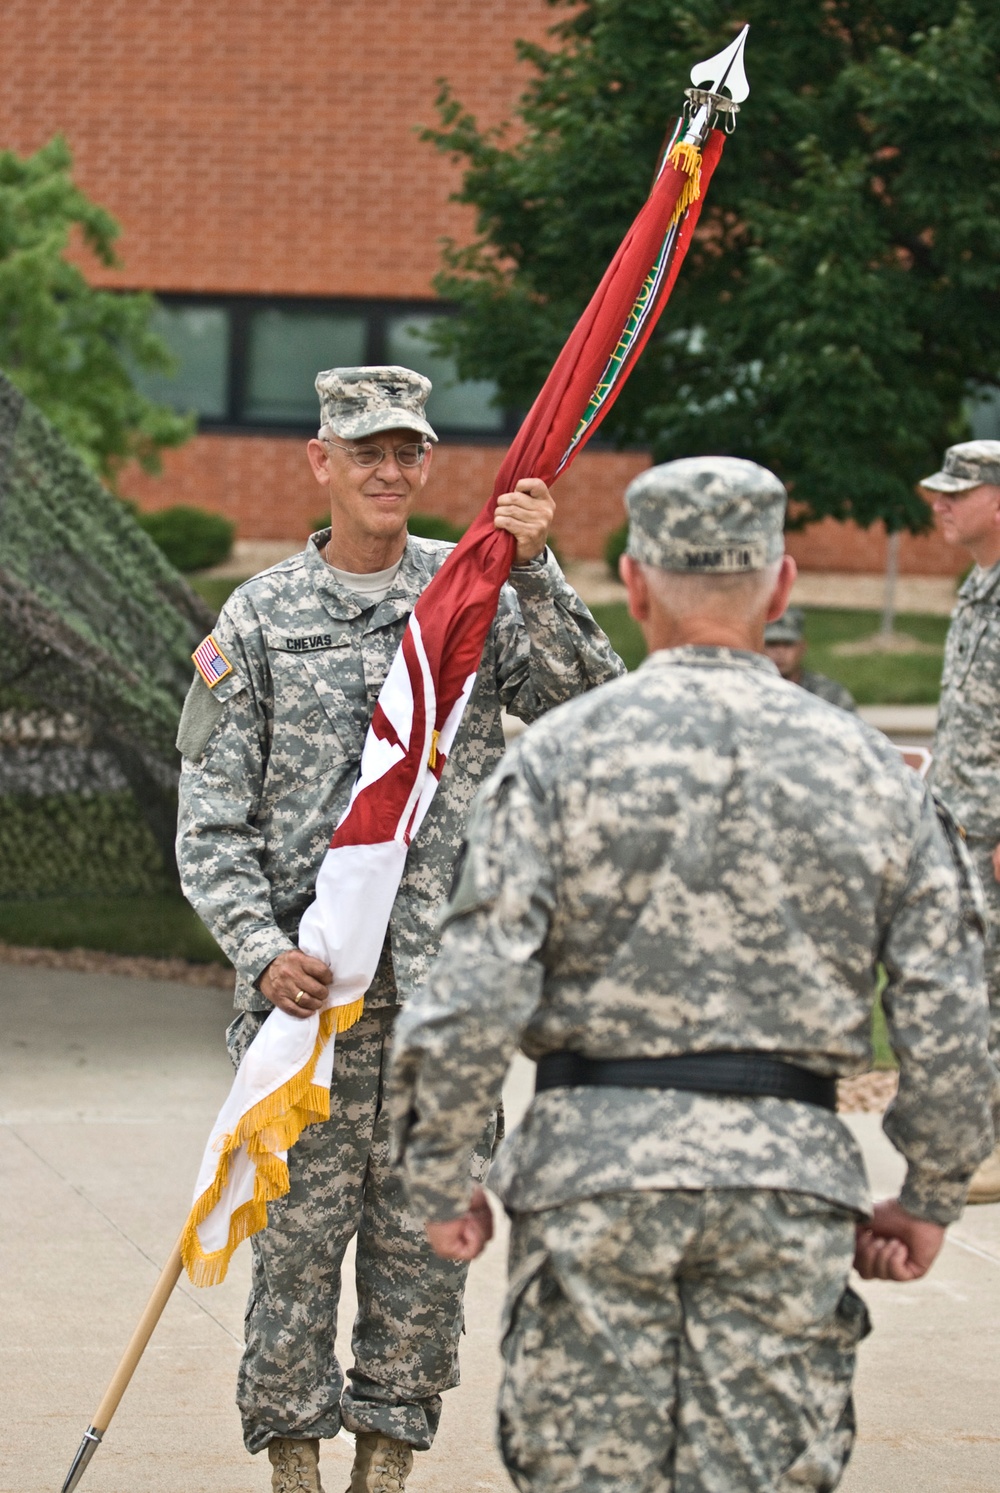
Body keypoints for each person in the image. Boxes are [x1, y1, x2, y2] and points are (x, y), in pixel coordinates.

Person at [389, 455, 999, 1493]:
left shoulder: (556, 759)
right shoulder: (866, 769)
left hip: (593, 1180)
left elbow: (470, 987)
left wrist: (442, 1171)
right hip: (786, 1180)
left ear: (632, 582)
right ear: (782, 584)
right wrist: (930, 1188)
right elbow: (950, 1002)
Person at [175, 364, 624, 1493]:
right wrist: (259, 946)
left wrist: (537, 572)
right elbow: (210, 822)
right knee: (294, 1255)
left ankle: (386, 1460)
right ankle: (292, 1463)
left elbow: (591, 708)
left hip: (442, 1001)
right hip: (309, 1005)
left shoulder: (468, 592)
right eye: (366, 450)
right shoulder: (263, 617)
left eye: (408, 451)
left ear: (428, 464)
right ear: (320, 461)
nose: (389, 470)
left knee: (424, 1253)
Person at [921, 438, 1000, 1204]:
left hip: (994, 828)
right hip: (962, 821)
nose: (939, 502)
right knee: (974, 982)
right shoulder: (981, 585)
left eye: (957, 491)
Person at [763, 606, 857, 711]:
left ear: (802, 647)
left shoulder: (830, 696)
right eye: (772, 644)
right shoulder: (749, 692)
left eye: (788, 644)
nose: (780, 652)